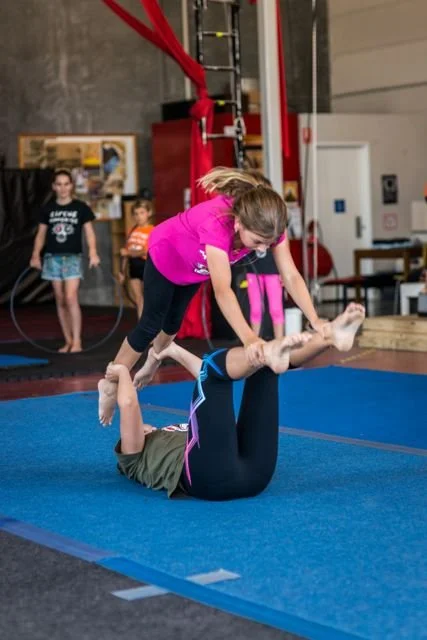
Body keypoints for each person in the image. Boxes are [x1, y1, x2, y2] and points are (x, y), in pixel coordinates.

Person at [99, 167, 328, 425]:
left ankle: (154, 360)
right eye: (258, 242)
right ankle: (110, 383)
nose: (264, 249)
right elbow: (222, 290)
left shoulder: (270, 226)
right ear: (240, 223)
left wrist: (315, 319)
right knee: (152, 322)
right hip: (167, 254)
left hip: (194, 269)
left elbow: (291, 276)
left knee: (172, 325)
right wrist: (250, 338)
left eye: (269, 242)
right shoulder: (217, 223)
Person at [99, 303, 365, 501]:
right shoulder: (131, 460)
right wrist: (121, 371)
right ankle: (316, 340)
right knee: (215, 365)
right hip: (208, 480)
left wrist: (173, 350)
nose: (143, 427)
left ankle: (329, 338)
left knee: (265, 366)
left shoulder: (174, 436)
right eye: (138, 430)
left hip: (255, 476)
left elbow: (207, 379)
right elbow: (130, 406)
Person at [30, 169, 100, 353]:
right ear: (54, 187)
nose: (62, 188)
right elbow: (41, 235)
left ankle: (77, 341)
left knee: (70, 297)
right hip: (52, 258)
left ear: (71, 186)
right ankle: (68, 340)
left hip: (72, 258)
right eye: (59, 184)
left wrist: (93, 253)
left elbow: (89, 233)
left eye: (66, 184)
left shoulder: (80, 207)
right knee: (60, 299)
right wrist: (36, 255)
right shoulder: (48, 209)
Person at [118, 199, 154, 319]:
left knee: (150, 299)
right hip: (134, 267)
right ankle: (142, 327)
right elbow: (125, 252)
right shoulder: (132, 231)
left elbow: (146, 250)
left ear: (149, 213)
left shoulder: (152, 230)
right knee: (139, 299)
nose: (139, 217)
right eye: (136, 214)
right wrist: (122, 272)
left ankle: (153, 328)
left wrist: (129, 253)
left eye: (142, 213)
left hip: (146, 265)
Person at [247, 250, 285, 339]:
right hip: (253, 270)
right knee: (255, 310)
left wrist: (283, 272)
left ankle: (279, 342)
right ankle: (255, 342)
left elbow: (283, 249)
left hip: (273, 270)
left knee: (276, 309)